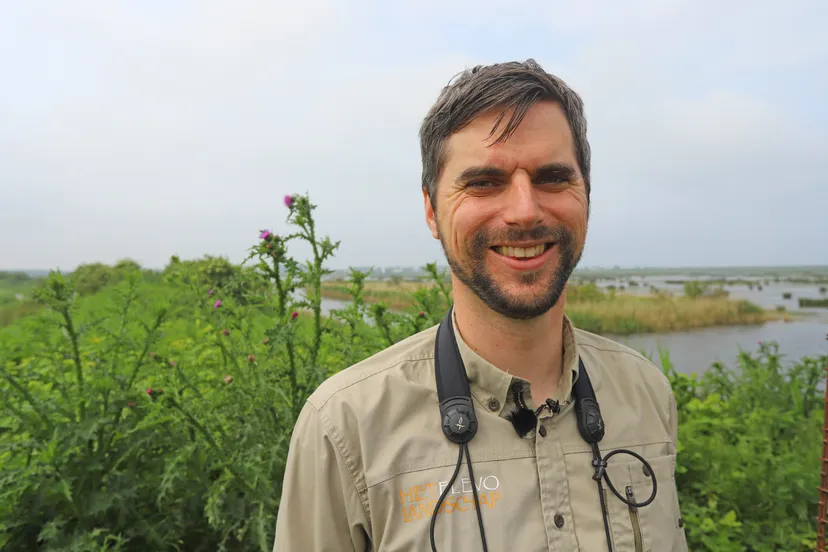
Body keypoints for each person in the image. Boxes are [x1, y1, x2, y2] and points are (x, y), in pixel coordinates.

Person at [273, 59, 689, 551]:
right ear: (431, 209)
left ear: (587, 197)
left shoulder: (646, 395)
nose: (524, 211)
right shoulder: (345, 428)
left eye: (553, 177)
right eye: (484, 182)